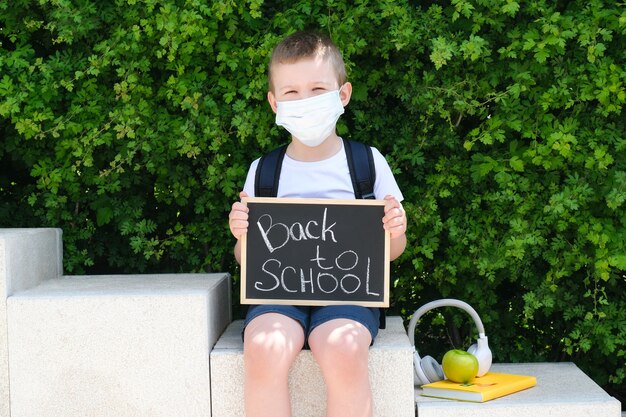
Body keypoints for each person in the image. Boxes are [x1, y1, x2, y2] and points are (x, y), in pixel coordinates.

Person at [228, 30, 407, 417]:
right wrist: (241, 235)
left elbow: (391, 251)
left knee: (342, 347)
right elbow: (248, 260)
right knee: (264, 346)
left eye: (317, 89)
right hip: (279, 297)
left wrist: (395, 229)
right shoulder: (264, 172)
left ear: (342, 95)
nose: (304, 101)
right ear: (275, 103)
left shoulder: (367, 163)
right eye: (291, 93)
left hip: (348, 296)